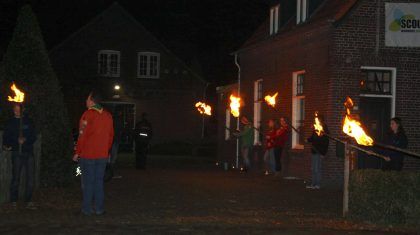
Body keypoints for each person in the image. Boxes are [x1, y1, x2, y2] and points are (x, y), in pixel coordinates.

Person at [73, 90, 114, 216]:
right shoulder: (107, 115)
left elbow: (82, 135)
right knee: (99, 181)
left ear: (92, 100)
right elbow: (111, 135)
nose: (86, 101)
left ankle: (86, 209)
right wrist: (106, 150)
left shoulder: (88, 114)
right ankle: (99, 209)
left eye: (87, 98)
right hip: (102, 155)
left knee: (88, 182)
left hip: (88, 155)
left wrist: (77, 152)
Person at [3, 104, 37, 209]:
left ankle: (29, 201)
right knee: (16, 178)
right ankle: (14, 201)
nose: (16, 112)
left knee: (30, 178)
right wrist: (12, 143)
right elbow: (6, 138)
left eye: (18, 110)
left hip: (28, 153)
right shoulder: (10, 123)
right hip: (17, 153)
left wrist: (25, 140)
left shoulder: (28, 122)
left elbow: (33, 136)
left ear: (23, 111)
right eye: (15, 110)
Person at [306, 115, 329, 189]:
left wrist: (323, 153)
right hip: (314, 151)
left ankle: (317, 184)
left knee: (317, 168)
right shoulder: (316, 129)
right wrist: (308, 140)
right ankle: (313, 183)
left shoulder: (324, 130)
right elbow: (313, 137)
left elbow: (326, 142)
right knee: (313, 168)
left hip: (319, 151)